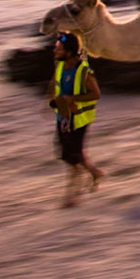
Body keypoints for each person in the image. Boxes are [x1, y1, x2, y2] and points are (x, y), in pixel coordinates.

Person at [47, 32, 105, 207]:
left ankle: (72, 196)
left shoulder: (83, 71)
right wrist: (49, 98)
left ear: (70, 52)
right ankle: (95, 173)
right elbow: (54, 82)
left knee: (73, 156)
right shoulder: (60, 65)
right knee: (68, 153)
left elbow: (96, 94)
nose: (55, 49)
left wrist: (73, 99)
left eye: (59, 48)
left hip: (79, 119)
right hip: (63, 116)